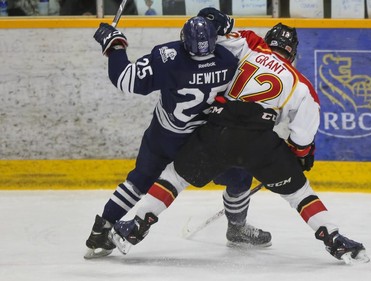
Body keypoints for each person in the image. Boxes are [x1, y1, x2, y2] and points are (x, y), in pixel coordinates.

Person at [110, 8, 370, 265]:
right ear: (293, 54)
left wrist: (218, 20)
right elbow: (302, 134)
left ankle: (136, 225)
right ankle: (334, 238)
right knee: (300, 193)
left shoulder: (248, 47)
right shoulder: (300, 84)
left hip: (217, 130)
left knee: (174, 177)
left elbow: (212, 35)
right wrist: (301, 155)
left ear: (268, 42)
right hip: (259, 142)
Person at [84, 15, 271, 259]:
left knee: (139, 180)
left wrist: (114, 45)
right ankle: (236, 228)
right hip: (202, 143)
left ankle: (102, 228)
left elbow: (124, 79)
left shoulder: (166, 57)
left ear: (184, 39)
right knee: (240, 174)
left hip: (164, 136)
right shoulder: (228, 61)